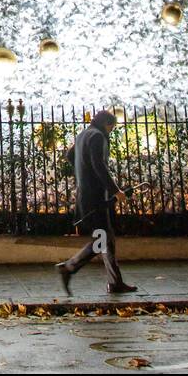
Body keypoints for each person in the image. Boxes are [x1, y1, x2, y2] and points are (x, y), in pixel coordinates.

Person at [57, 110, 136, 296]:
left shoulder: (83, 134)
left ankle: (115, 282)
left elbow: (70, 156)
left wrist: (82, 174)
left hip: (86, 194)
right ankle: (68, 267)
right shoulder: (98, 136)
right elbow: (98, 165)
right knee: (102, 240)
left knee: (105, 239)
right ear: (106, 123)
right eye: (112, 127)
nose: (111, 131)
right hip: (97, 196)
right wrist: (116, 190)